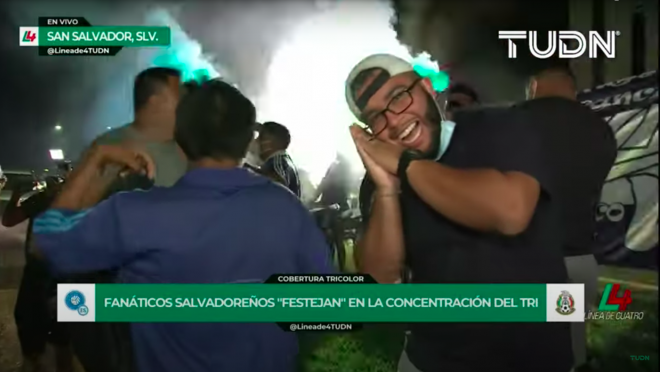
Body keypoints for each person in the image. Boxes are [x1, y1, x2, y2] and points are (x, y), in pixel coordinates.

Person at [31, 79, 334, 372]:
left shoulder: (135, 213)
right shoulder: (286, 208)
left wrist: (97, 159)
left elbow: (44, 243)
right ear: (246, 140)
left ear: (181, 136)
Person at [346, 54, 572, 372]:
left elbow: (510, 212)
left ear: (426, 86)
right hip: (431, 358)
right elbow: (380, 281)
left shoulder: (501, 125)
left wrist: (405, 166)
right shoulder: (381, 179)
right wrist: (386, 189)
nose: (393, 121)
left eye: (398, 97)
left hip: (529, 357)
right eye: (376, 118)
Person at [518, 66, 617, 372]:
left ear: (533, 85)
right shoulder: (601, 129)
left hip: (522, 258)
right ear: (572, 90)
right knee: (571, 353)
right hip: (579, 257)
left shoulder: (513, 120)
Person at [2, 165, 74, 372]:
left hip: (39, 275)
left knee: (30, 323)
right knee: (63, 336)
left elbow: (8, 220)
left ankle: (35, 363)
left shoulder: (42, 200)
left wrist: (18, 192)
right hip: (67, 274)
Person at [91, 66, 187, 194]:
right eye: (180, 95)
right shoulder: (109, 148)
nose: (186, 101)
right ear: (156, 103)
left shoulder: (190, 150)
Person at [256, 121, 302, 198]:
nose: (256, 141)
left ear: (273, 143)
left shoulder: (277, 162)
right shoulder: (284, 160)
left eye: (261, 138)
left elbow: (279, 185)